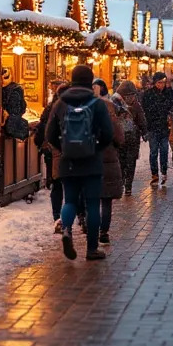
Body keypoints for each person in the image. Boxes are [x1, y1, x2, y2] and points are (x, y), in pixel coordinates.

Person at [46, 64, 114, 261]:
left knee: (70, 201)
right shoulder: (98, 104)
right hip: (91, 162)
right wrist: (95, 147)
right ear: (90, 81)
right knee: (93, 204)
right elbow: (108, 134)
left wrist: (65, 147)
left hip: (68, 162)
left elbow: (50, 134)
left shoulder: (60, 103)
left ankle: (67, 230)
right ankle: (92, 249)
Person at [92, 78, 126, 244]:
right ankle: (103, 232)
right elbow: (120, 139)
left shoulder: (86, 118)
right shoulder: (111, 121)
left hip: (90, 162)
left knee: (92, 199)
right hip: (109, 162)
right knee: (106, 200)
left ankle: (91, 228)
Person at [35, 81, 69, 232]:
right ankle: (73, 217)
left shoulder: (52, 108)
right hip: (73, 153)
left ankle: (57, 217)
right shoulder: (76, 107)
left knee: (57, 184)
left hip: (55, 152)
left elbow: (44, 128)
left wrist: (51, 146)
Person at [141, 71, 173, 188]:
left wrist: (169, 88)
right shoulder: (148, 94)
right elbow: (146, 110)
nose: (161, 85)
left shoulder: (168, 93)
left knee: (165, 151)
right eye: (159, 82)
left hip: (164, 128)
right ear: (155, 83)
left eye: (163, 82)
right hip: (153, 128)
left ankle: (164, 171)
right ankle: (155, 174)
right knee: (153, 152)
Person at [115, 80, 147, 195]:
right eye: (129, 95)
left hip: (131, 139)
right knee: (123, 162)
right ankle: (124, 183)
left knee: (130, 162)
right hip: (122, 139)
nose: (131, 98)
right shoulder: (116, 104)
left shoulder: (135, 105)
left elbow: (141, 120)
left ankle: (127, 185)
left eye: (132, 95)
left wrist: (144, 131)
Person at [0, 68, 29, 139]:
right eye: (2, 78)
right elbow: (21, 109)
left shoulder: (14, 90)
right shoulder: (16, 89)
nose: (3, 80)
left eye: (6, 77)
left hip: (5, 126)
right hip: (9, 126)